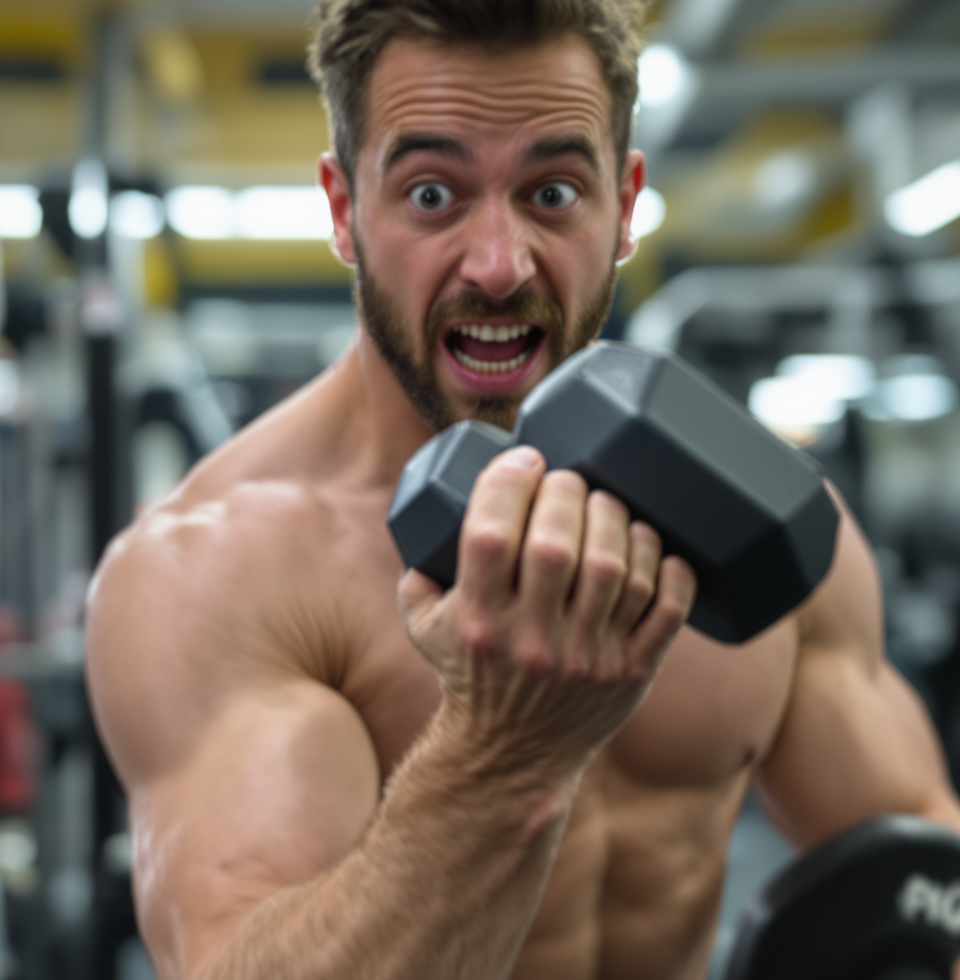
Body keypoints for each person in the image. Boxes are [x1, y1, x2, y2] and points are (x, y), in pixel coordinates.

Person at [85, 2, 960, 979]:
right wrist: (502, 752)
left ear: (625, 205)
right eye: (431, 195)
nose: (498, 266)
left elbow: (923, 864)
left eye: (551, 192)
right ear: (342, 210)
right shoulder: (214, 573)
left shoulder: (774, 523)